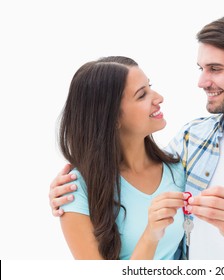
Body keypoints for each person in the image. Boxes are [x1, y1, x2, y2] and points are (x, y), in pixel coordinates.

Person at [50, 13, 224, 260]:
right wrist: (73, 188)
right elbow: (132, 174)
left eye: (215, 69)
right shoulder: (192, 138)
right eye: (201, 69)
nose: (202, 81)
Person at [54, 56, 188, 260]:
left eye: (150, 87)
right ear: (112, 117)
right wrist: (150, 236)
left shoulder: (179, 168)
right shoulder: (74, 192)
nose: (159, 97)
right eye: (142, 95)